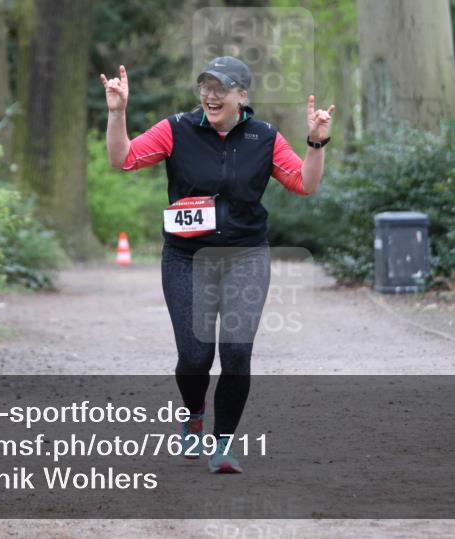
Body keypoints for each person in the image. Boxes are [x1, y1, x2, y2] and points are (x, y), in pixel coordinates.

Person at [102, 56, 333, 473]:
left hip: (245, 255)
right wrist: (117, 114)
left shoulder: (264, 137)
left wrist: (316, 144)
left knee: (237, 351)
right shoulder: (176, 129)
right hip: (186, 258)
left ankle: (223, 443)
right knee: (195, 356)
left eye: (221, 88)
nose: (210, 95)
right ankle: (193, 413)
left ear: (242, 96)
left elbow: (305, 183)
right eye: (205, 86)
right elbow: (124, 159)